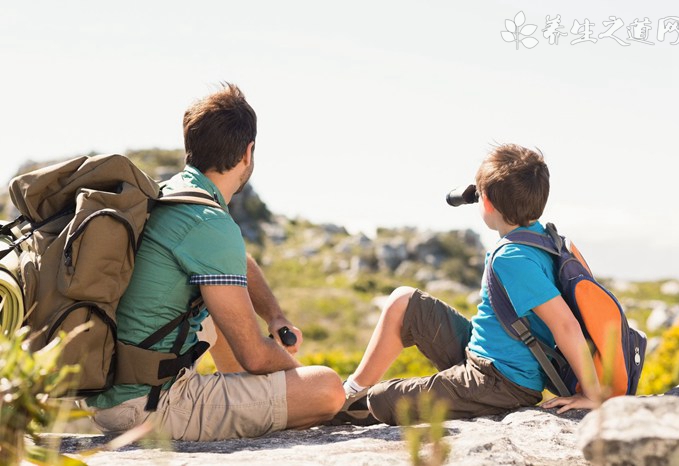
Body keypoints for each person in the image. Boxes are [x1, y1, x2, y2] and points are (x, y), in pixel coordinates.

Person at [86, 83, 345, 441]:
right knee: (328, 389)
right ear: (248, 153)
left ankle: (251, 400)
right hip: (150, 408)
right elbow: (255, 356)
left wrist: (274, 315)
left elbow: (237, 262)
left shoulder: (167, 197)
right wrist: (297, 373)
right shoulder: (208, 221)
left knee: (222, 308)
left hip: (113, 391)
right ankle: (259, 404)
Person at [337, 143, 601, 426]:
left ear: (485, 202)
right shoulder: (540, 237)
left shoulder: (513, 258)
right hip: (482, 354)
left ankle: (338, 408)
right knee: (405, 302)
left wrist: (592, 394)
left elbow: (565, 325)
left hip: (502, 382)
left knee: (382, 400)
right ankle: (350, 391)